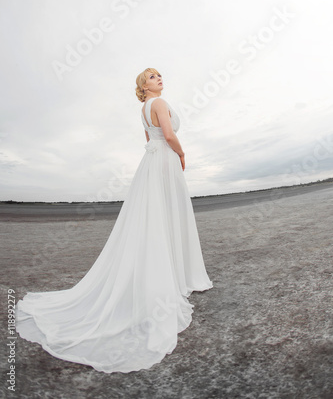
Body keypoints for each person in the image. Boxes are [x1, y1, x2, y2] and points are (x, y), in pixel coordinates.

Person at [15, 67, 213, 374]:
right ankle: (178, 276)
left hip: (152, 161)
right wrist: (183, 155)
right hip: (165, 159)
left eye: (159, 75)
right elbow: (169, 135)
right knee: (169, 213)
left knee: (156, 217)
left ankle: (171, 274)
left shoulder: (143, 110)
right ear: (144, 87)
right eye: (152, 77)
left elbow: (148, 138)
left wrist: (165, 150)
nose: (159, 79)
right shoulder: (159, 103)